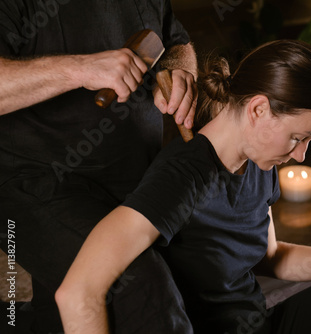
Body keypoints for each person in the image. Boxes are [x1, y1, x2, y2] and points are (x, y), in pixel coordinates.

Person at [56, 39, 311, 334]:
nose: (301, 156)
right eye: (298, 138)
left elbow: (273, 257)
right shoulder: (182, 175)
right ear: (258, 109)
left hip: (261, 325)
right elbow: (78, 291)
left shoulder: (260, 164)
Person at [0, 1, 197, 333]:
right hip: (33, 184)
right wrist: (77, 68)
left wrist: (182, 72)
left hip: (136, 180)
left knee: (66, 315)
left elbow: (176, 42)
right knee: (139, 286)